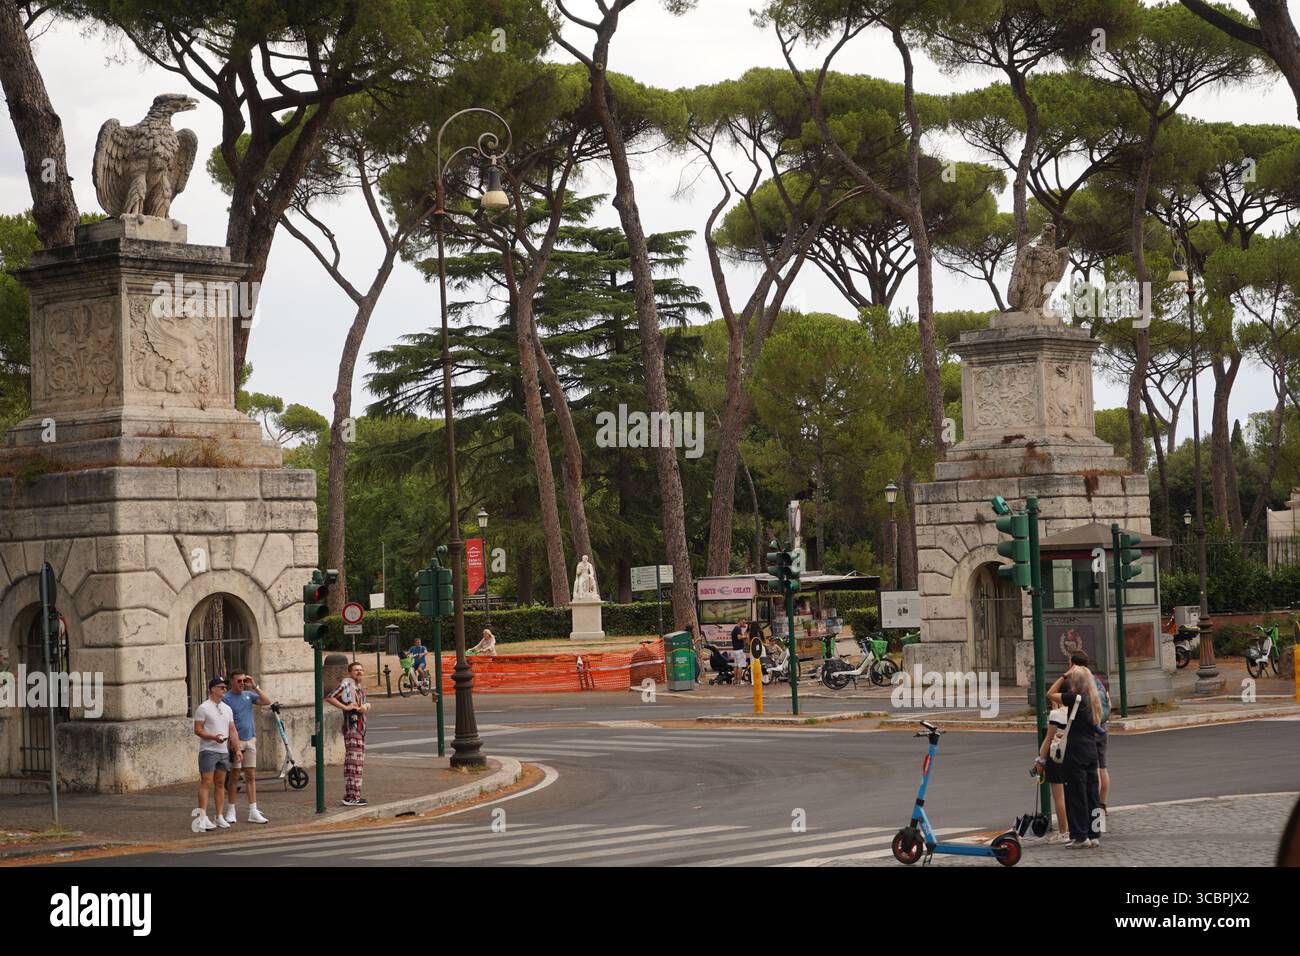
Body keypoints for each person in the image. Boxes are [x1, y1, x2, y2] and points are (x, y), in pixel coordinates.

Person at [1047, 663, 1104, 848]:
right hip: (1091, 750)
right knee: (1092, 792)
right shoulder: (1093, 700)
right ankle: (1095, 833)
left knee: (1075, 793)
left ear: (1075, 682)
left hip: (1075, 751)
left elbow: (1050, 694)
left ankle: (1080, 836)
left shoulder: (1075, 698)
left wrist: (1064, 675)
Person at [222, 669, 273, 825]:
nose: (241, 684)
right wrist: (230, 741)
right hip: (236, 741)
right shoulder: (226, 698)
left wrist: (254, 686)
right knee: (235, 776)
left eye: (243, 681)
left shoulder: (248, 695)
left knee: (251, 775)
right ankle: (231, 809)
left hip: (250, 739)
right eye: (238, 681)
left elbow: (267, 701)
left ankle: (253, 810)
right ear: (232, 681)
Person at [1069, 650, 1112, 822]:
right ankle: (1102, 806)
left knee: (1092, 772)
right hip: (1102, 726)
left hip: (1089, 729)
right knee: (1103, 767)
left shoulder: (1081, 682)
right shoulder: (1099, 681)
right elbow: (1108, 703)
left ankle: (1093, 808)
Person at [192, 676, 238, 832]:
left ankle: (219, 816)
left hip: (223, 750)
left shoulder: (227, 708)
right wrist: (213, 737)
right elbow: (197, 729)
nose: (224, 690)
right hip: (208, 750)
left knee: (220, 783)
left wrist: (237, 749)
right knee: (206, 781)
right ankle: (202, 817)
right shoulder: (203, 708)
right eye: (221, 687)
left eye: (225, 687)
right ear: (212, 689)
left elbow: (232, 730)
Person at [325, 661, 372, 807]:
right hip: (352, 728)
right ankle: (352, 797)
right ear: (350, 673)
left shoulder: (358, 688)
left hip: (360, 729)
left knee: (356, 764)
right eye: (356, 670)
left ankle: (352, 795)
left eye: (361, 670)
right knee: (354, 764)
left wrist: (365, 707)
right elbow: (330, 697)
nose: (359, 672)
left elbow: (367, 704)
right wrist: (345, 707)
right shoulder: (347, 685)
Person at [1030, 700, 1072, 843]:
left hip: (1056, 756)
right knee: (1072, 796)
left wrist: (1040, 760)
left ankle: (1064, 833)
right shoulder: (1075, 711)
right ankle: (1075, 829)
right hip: (1072, 755)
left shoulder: (1056, 715)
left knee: (1059, 798)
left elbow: (1049, 738)